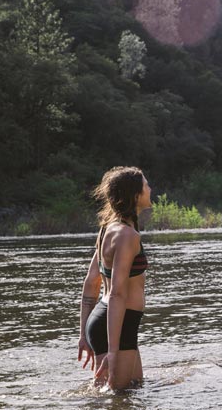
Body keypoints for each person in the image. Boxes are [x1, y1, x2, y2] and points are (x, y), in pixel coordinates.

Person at [78, 166, 152, 390]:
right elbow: (117, 294)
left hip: (108, 321)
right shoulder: (127, 235)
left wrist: (84, 334)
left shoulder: (108, 229)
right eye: (146, 185)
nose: (150, 189)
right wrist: (112, 351)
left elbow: (91, 282)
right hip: (117, 326)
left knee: (134, 388)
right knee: (117, 394)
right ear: (135, 195)